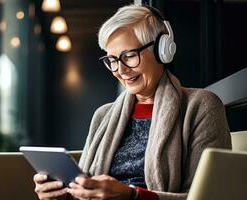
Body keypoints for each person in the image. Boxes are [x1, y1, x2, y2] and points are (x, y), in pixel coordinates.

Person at [33, 4, 231, 200]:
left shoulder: (201, 106)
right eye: (112, 60)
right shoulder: (103, 115)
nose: (121, 69)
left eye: (129, 56)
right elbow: (85, 188)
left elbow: (209, 195)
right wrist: (63, 194)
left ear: (162, 50)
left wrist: (132, 196)